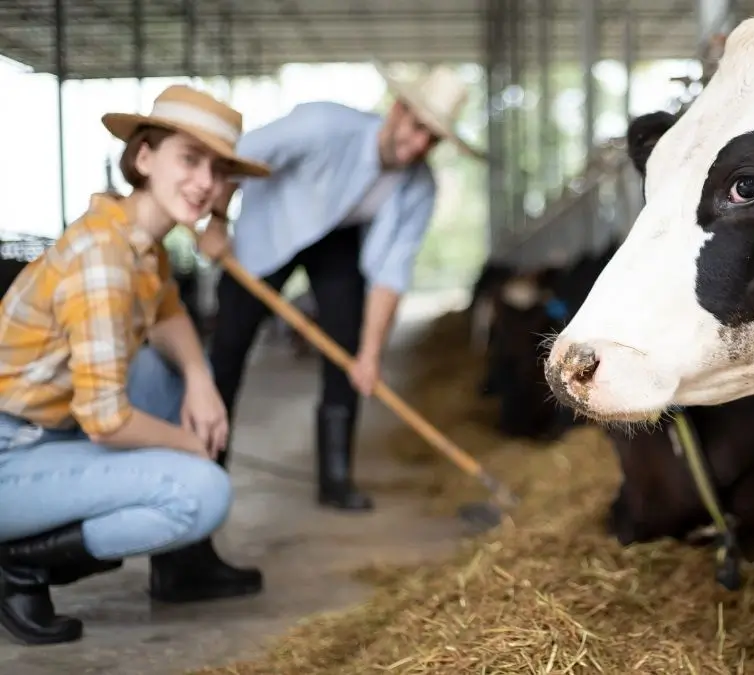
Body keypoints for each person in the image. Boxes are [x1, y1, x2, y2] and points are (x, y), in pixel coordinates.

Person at [0, 84, 271, 644]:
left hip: (38, 435)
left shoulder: (139, 240)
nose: (205, 183)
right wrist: (187, 443)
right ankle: (17, 563)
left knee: (167, 367)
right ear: (144, 157)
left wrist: (200, 380)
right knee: (203, 491)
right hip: (9, 452)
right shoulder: (104, 259)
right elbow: (105, 420)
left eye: (218, 170)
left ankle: (181, 567)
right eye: (190, 160)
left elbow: (167, 310)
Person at [197, 66, 483, 535]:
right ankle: (208, 471)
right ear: (397, 110)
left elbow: (392, 273)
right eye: (415, 130)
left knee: (348, 348)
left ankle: (335, 478)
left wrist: (370, 356)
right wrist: (215, 222)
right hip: (268, 230)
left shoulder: (419, 187)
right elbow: (236, 156)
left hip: (338, 241)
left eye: (431, 141)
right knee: (228, 349)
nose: (416, 148)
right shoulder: (323, 126)